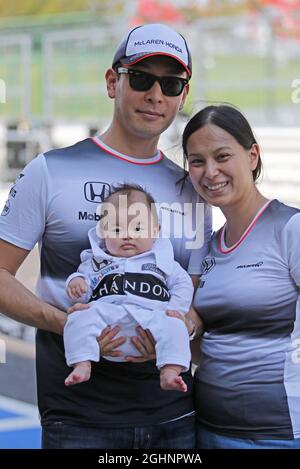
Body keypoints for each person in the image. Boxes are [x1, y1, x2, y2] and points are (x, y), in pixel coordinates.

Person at [0, 23, 211, 449]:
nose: (156, 95)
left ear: (182, 96)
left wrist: (186, 325)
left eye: (170, 84)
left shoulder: (193, 187)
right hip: (78, 418)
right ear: (113, 82)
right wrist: (66, 322)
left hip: (175, 417)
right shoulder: (51, 170)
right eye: (141, 78)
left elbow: (198, 290)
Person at [182, 104, 300, 449]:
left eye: (222, 156)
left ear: (252, 156)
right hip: (208, 428)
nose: (210, 172)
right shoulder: (207, 246)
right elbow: (206, 336)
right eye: (197, 161)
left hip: (279, 434)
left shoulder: (290, 228)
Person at [64, 183, 193, 392]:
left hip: (152, 319)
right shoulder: (96, 262)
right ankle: (82, 363)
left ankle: (170, 371)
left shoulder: (163, 261)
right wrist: (77, 284)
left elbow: (182, 283)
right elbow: (83, 290)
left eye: (138, 228)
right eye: (116, 229)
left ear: (155, 231)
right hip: (108, 321)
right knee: (78, 318)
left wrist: (176, 309)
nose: (127, 235)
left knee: (176, 326)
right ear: (103, 233)